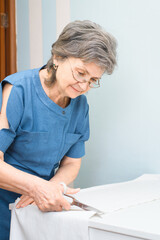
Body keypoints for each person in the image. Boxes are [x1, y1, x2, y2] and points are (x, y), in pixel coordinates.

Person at [0, 20, 117, 239]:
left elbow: (72, 163)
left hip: (38, 209)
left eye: (93, 80)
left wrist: (52, 188)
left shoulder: (80, 106)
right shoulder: (17, 91)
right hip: (4, 209)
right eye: (80, 73)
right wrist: (37, 188)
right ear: (58, 57)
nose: (84, 86)